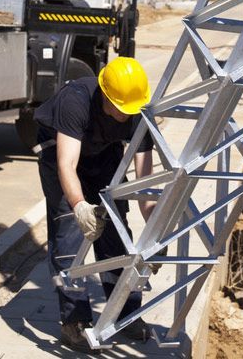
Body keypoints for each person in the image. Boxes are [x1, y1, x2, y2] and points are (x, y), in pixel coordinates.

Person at [34, 56, 154, 352]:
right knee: (69, 235)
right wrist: (79, 206)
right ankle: (74, 321)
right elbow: (67, 163)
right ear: (105, 95)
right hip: (60, 150)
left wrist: (156, 230)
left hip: (103, 152)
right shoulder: (75, 102)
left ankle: (125, 313)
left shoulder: (136, 110)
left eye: (130, 111)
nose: (126, 116)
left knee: (116, 230)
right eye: (120, 110)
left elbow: (144, 184)